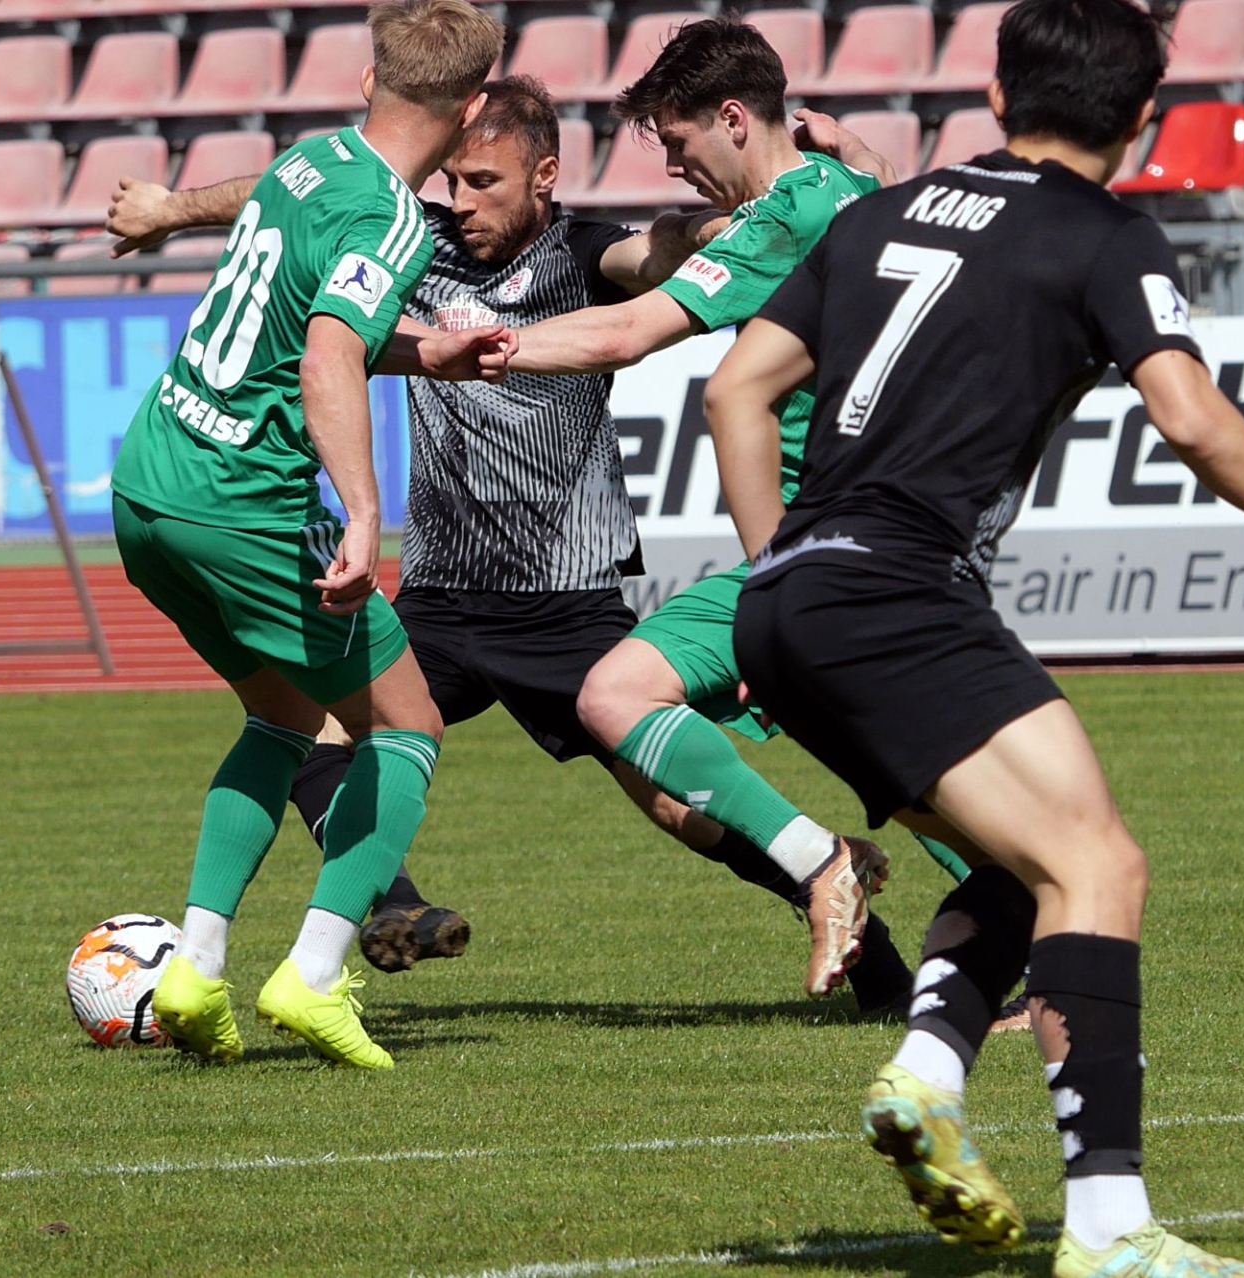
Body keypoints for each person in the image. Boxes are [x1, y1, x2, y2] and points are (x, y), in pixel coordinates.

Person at [703, 0, 1244, 1271]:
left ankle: (924, 1074)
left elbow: (735, 388)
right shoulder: (1108, 237)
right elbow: (1187, 420)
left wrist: (772, 567)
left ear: (999, 94)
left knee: (1024, 872)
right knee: (1102, 868)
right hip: (899, 593)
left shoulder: (877, 212)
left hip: (791, 593)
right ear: (1140, 119)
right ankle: (1113, 1231)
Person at [106, 72, 933, 1014]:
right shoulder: (406, 239)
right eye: (451, 181)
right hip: (443, 595)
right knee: (324, 733)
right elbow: (285, 191)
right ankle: (393, 907)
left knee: (672, 802)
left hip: (564, 602)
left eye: (485, 184)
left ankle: (879, 965)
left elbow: (671, 248)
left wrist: (775, 200)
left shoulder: (587, 255)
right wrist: (174, 208)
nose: (460, 204)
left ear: (545, 176)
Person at [503, 15, 970, 998]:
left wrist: (461, 346)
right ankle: (969, 931)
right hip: (880, 532)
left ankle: (838, 872)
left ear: (731, 117)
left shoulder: (790, 216)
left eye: (678, 144)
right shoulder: (851, 189)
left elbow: (628, 332)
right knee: (895, 771)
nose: (675, 167)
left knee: (619, 697)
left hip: (824, 550)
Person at [107, 0, 506, 1070]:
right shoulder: (391, 219)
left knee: (281, 719)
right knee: (408, 727)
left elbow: (313, 325)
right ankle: (315, 978)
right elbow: (327, 355)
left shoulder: (305, 160)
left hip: (150, 487)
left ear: (368, 76)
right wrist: (368, 514)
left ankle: (193, 972)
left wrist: (426, 354)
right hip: (241, 504)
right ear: (473, 112)